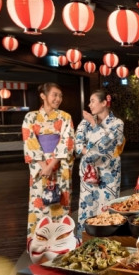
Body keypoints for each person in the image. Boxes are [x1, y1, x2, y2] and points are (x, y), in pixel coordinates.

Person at [22, 83, 75, 239]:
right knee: (40, 203)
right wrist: (44, 166)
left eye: (60, 96)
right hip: (40, 166)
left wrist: (52, 164)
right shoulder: (30, 117)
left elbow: (67, 141)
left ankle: (62, 240)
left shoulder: (65, 117)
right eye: (54, 95)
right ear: (43, 96)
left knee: (61, 203)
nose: (58, 99)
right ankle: (39, 241)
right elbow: (29, 140)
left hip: (60, 165)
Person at [74, 90, 125, 237]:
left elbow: (107, 146)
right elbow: (77, 144)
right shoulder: (84, 123)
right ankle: (84, 243)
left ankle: (108, 245)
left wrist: (93, 124)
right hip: (88, 172)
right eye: (89, 101)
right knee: (86, 210)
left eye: (93, 101)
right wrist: (89, 153)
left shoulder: (117, 123)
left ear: (104, 103)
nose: (89, 105)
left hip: (109, 172)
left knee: (106, 209)